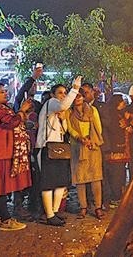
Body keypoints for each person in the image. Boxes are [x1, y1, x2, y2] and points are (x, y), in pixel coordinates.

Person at [0, 81, 33, 231]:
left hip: (3, 151)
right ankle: (6, 220)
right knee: (0, 187)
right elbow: (11, 123)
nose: (6, 94)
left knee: (1, 186)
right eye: (2, 92)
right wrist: (21, 111)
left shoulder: (1, 108)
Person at [35, 78, 82, 226]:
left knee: (60, 183)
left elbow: (65, 129)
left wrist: (63, 119)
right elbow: (64, 104)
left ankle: (54, 212)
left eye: (65, 93)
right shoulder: (52, 103)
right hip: (47, 148)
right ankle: (49, 214)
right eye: (60, 93)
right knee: (48, 183)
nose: (63, 95)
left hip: (59, 148)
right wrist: (74, 89)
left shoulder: (59, 110)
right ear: (52, 94)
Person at [13, 66, 44, 220]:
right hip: (21, 147)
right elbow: (20, 95)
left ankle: (34, 205)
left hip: (35, 146)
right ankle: (18, 206)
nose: (33, 87)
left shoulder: (37, 105)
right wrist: (33, 77)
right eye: (31, 85)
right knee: (19, 178)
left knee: (35, 178)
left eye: (34, 85)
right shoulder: (19, 103)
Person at [67, 89, 105, 219]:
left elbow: (98, 128)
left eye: (80, 96)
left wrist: (90, 140)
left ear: (84, 97)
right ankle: (83, 207)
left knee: (96, 178)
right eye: (75, 96)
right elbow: (70, 129)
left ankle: (98, 207)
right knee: (80, 179)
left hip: (92, 146)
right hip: (77, 147)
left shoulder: (92, 110)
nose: (78, 98)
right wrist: (80, 138)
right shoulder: (69, 112)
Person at [100, 94, 129, 206]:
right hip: (116, 149)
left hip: (119, 149)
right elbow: (116, 130)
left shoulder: (117, 114)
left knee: (119, 173)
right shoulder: (113, 117)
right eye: (122, 101)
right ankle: (115, 197)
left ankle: (117, 196)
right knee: (116, 174)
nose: (124, 103)